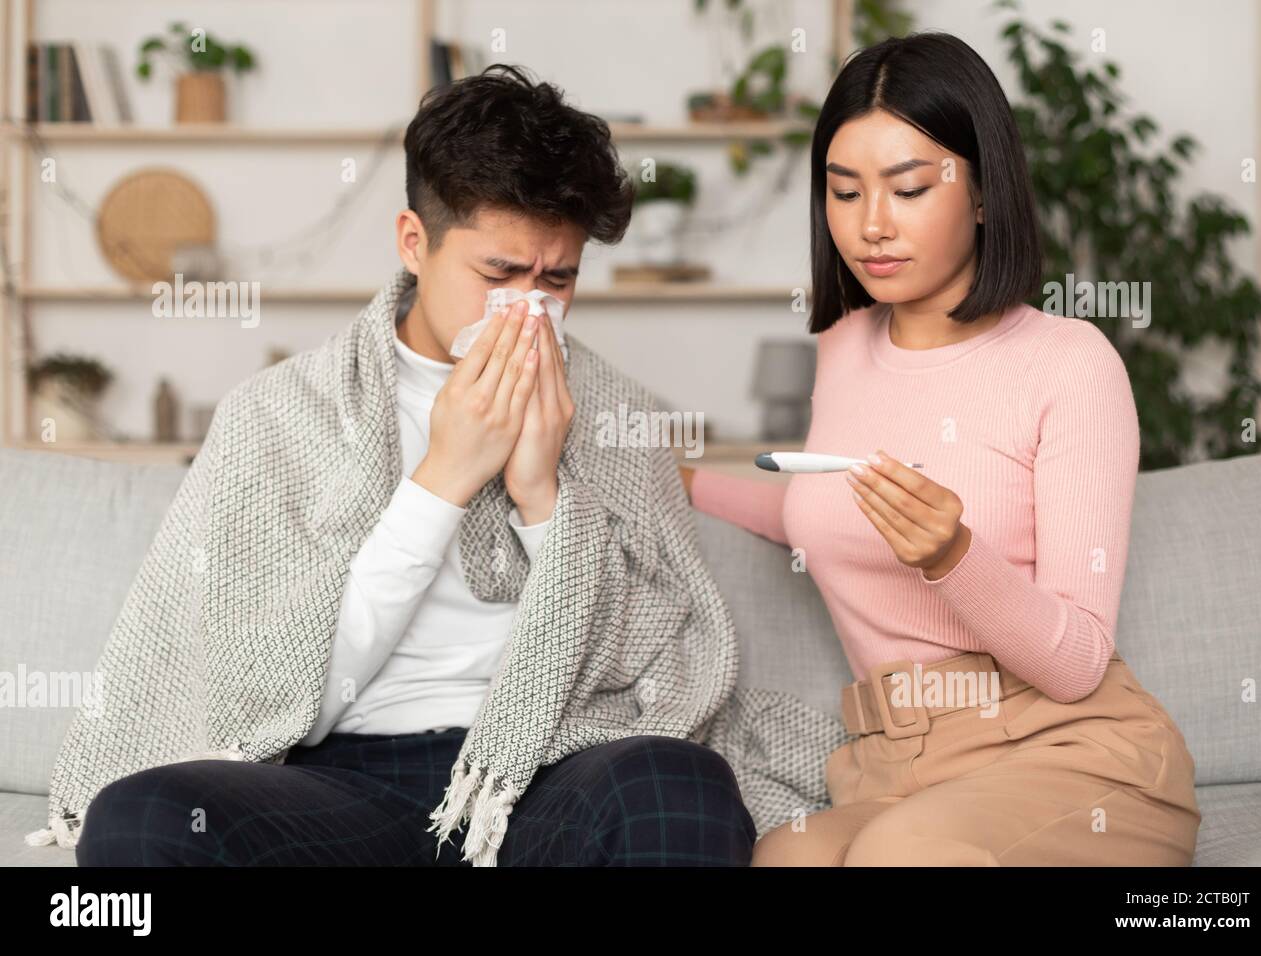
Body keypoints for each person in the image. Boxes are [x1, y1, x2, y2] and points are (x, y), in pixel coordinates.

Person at [69, 65, 755, 867]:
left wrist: (542, 497)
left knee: (682, 785)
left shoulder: (613, 415)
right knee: (142, 817)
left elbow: (652, 675)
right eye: (499, 274)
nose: (529, 308)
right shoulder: (281, 413)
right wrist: (444, 477)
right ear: (413, 243)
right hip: (341, 780)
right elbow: (271, 698)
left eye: (558, 279)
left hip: (543, 767)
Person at [682, 32, 1200, 866]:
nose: (872, 225)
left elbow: (1075, 663)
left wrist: (954, 555)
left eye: (910, 187)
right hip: (896, 768)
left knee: (902, 856)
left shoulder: (1070, 363)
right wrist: (677, 481)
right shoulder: (844, 344)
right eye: (844, 192)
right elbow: (821, 504)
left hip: (1069, 754)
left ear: (985, 194)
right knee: (789, 856)